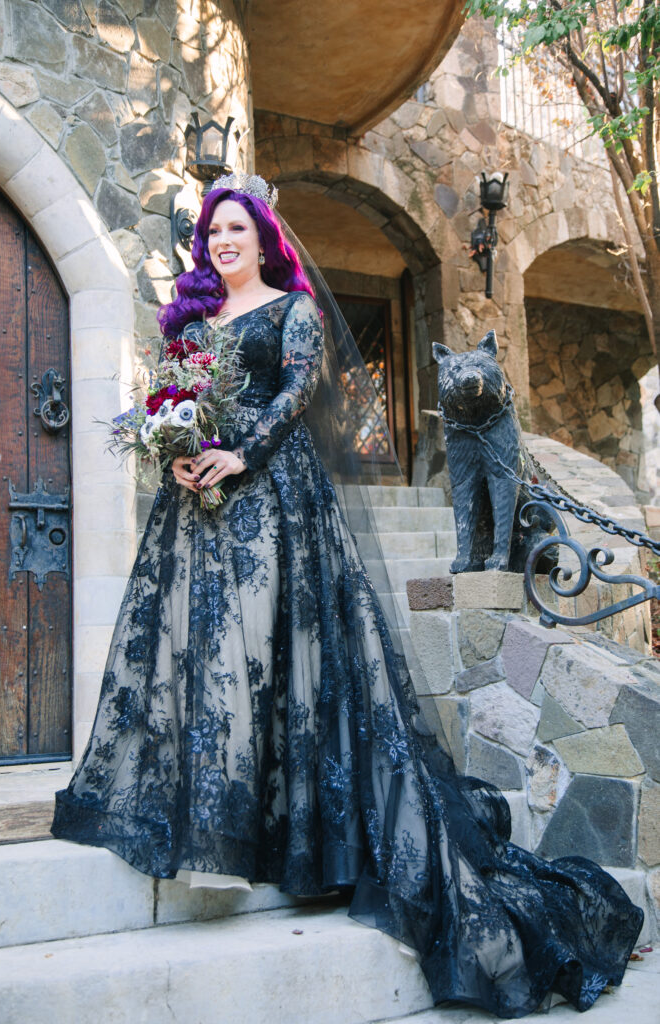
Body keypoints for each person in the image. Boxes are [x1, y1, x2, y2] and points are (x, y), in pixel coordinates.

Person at [51, 173, 643, 1019]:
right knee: (206, 657)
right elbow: (174, 403)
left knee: (271, 660)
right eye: (212, 232)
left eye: (235, 230)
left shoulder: (291, 308)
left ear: (262, 237)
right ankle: (220, 816)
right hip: (199, 508)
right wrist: (177, 448)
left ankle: (286, 833)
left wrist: (239, 453)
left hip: (273, 501)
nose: (222, 242)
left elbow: (295, 393)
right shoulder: (191, 324)